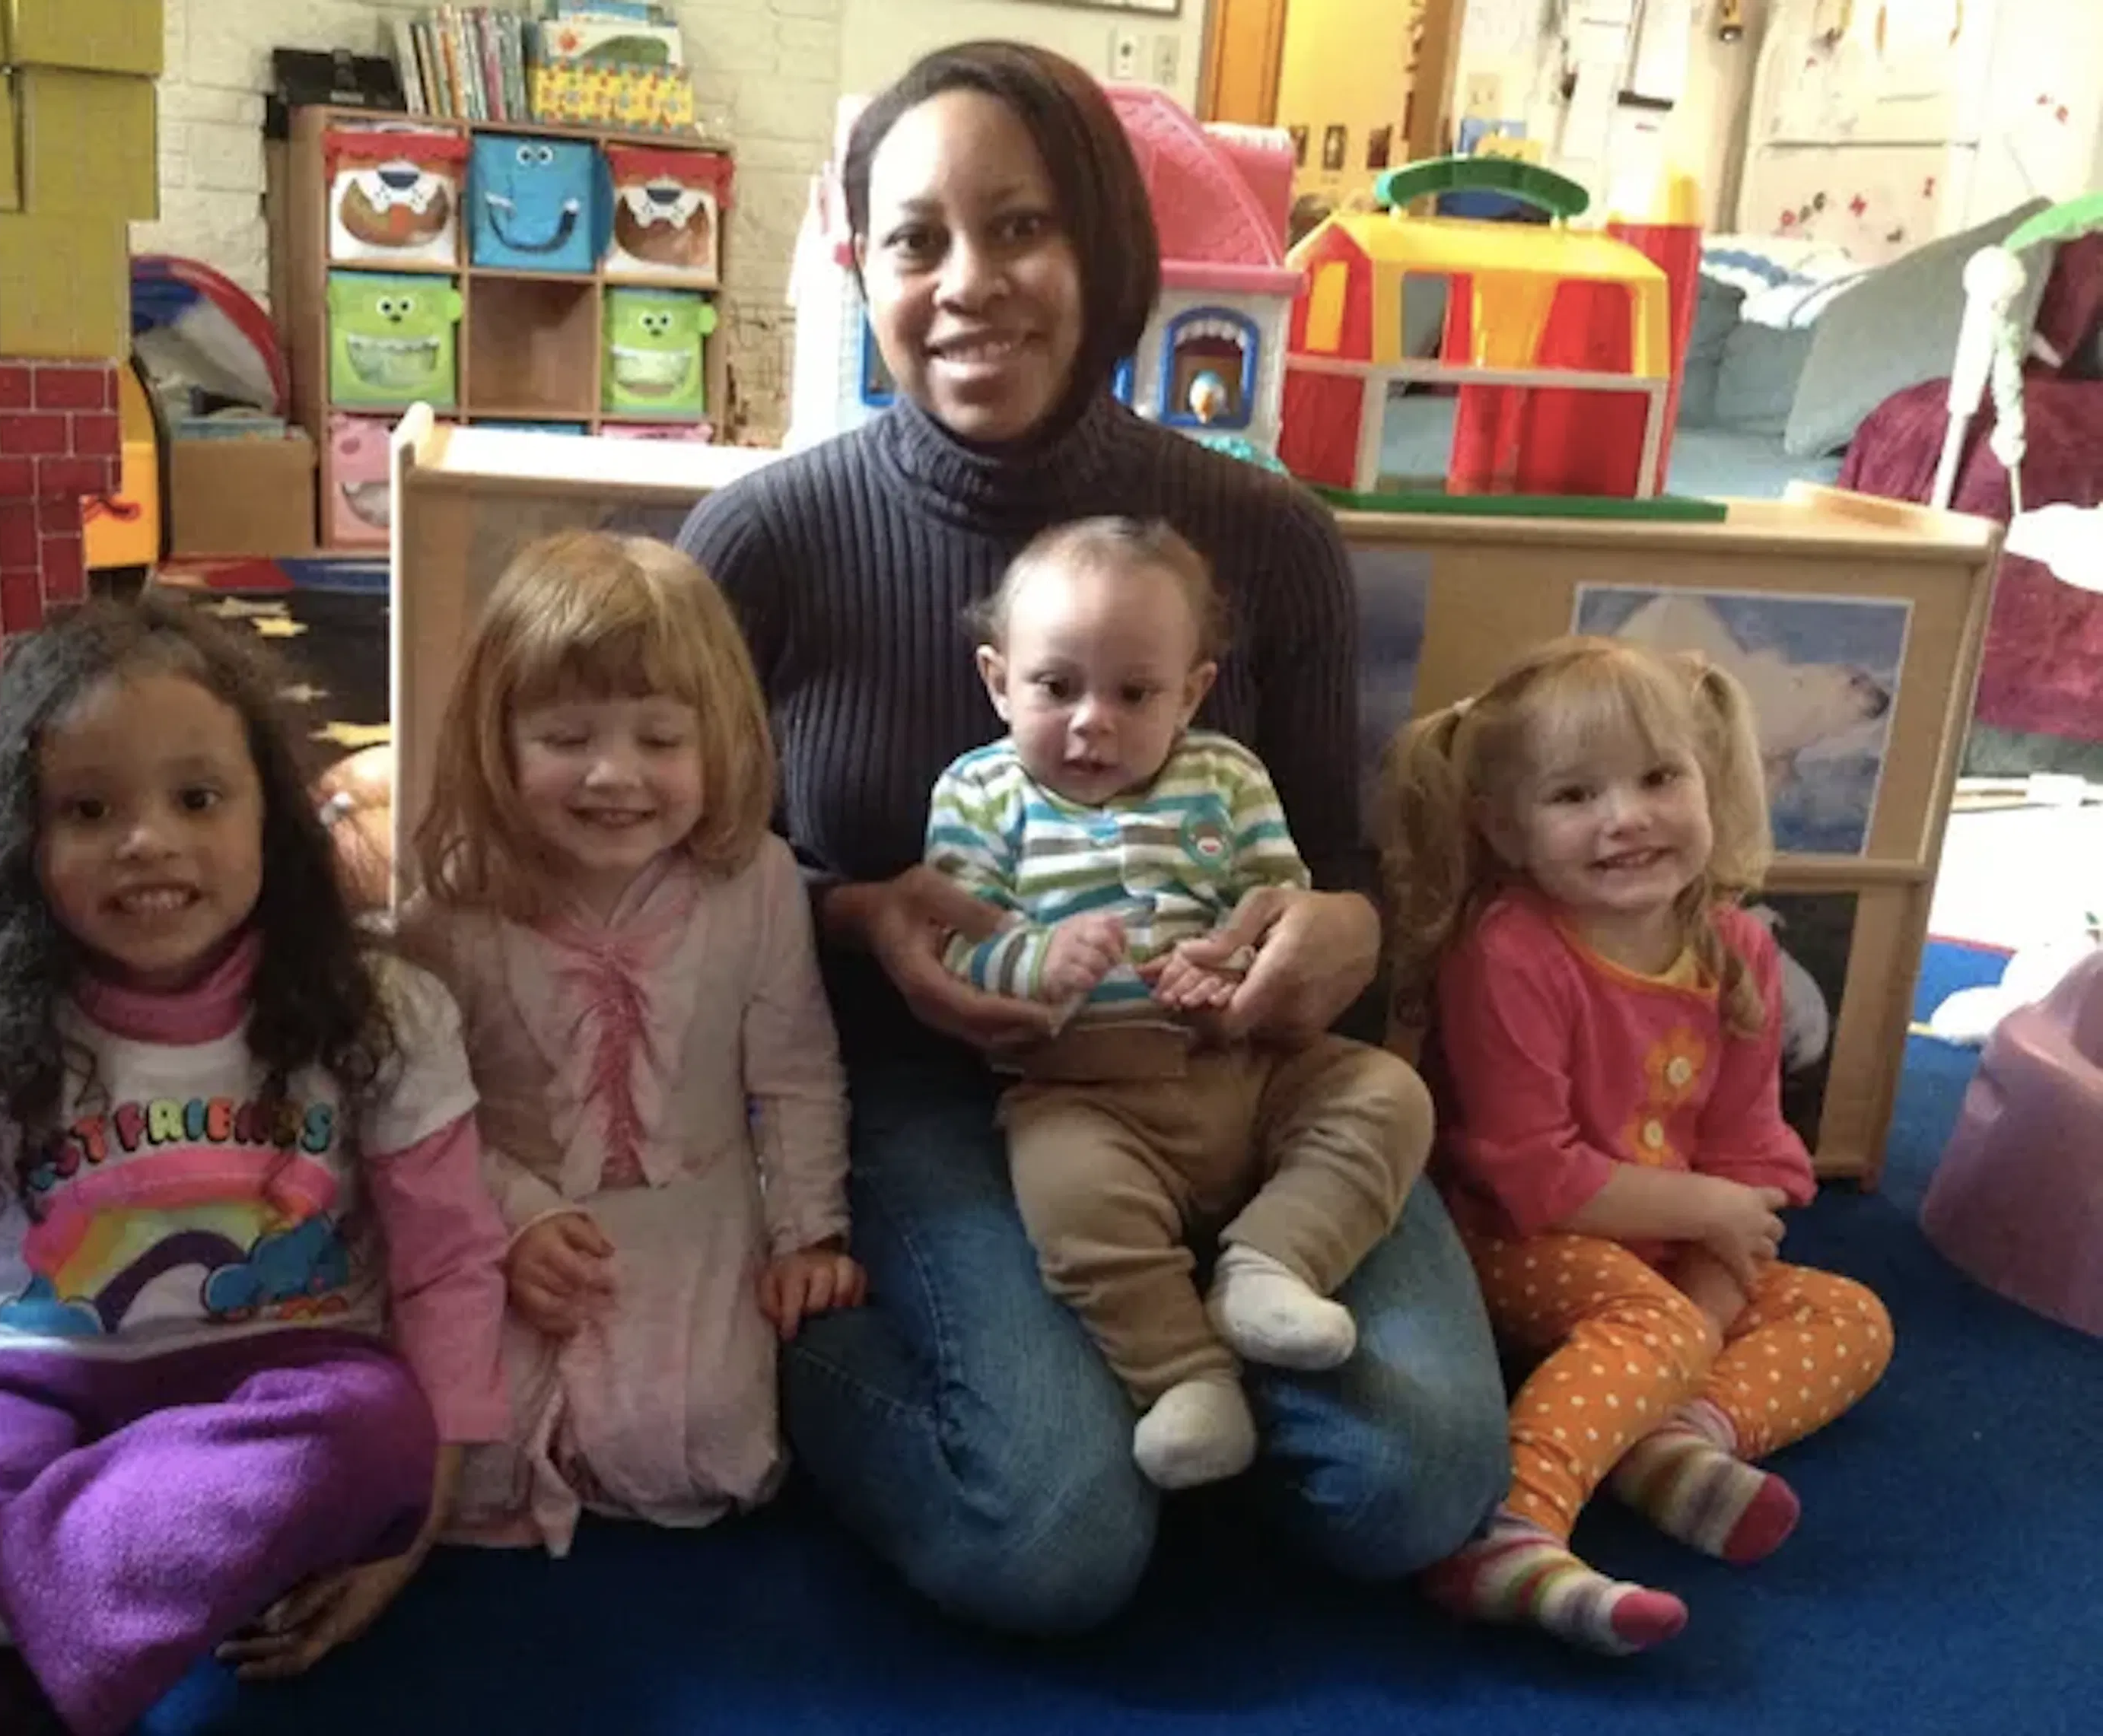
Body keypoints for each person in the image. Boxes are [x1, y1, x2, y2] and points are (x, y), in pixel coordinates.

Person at [678, 37, 1507, 1633]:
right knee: (1050, 1540)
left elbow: (1337, 863)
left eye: (1021, 227)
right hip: (929, 1094)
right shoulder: (763, 541)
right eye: (915, 238)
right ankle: (796, 1336)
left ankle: (1181, 1355)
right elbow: (677, 873)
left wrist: (1343, 931)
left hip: (1242, 1075)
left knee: (1413, 1482)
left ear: (1110, 252)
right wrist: (861, 916)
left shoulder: (1266, 539)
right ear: (865, 271)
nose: (967, 283)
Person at [0, 593, 509, 1735]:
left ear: (274, 818)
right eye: (88, 809)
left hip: (283, 1393)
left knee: (380, 1430)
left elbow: (449, 1258)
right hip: (37, 1384)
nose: (147, 840)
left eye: (198, 798)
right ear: (22, 840)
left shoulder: (383, 1010)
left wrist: (420, 1518)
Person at [1378, 637, 1895, 1655]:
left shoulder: (1737, 946)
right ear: (1505, 827)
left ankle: (1668, 1437)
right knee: (1652, 1323)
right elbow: (1532, 1171)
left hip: (1676, 1250)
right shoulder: (1509, 950)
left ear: (1711, 781)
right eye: (1575, 794)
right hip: (1514, 1239)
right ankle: (1510, 1526)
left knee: (1851, 1315)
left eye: (1660, 778)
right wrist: (1702, 1239)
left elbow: (1752, 1155)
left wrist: (1710, 1291)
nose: (1626, 817)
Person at [925, 517, 1428, 1491]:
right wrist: (1037, 958)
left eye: (1135, 693)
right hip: (1083, 1092)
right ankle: (1186, 1378)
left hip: (1248, 1063)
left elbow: (1277, 908)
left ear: (1192, 692)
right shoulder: (980, 793)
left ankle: (1272, 1265)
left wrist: (1236, 966)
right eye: (1055, 686)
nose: (1092, 721)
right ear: (997, 680)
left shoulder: (1227, 776)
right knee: (1069, 1199)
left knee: (1389, 1094)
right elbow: (955, 940)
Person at [395, 531, 862, 1556]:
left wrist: (808, 1235)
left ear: (719, 740)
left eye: (660, 738)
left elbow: (793, 1070)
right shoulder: (456, 906)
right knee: (465, 1441)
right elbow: (416, 1114)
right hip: (508, 1210)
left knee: (701, 1437)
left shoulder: (758, 882)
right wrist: (515, 1220)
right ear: (498, 740)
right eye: (567, 737)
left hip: (693, 1212)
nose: (615, 775)